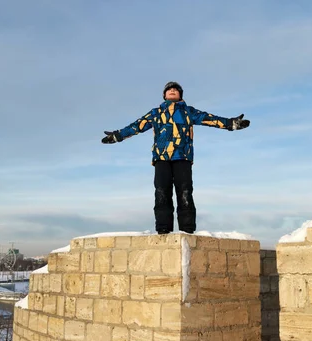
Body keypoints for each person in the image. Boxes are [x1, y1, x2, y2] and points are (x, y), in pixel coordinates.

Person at [101, 81, 250, 234]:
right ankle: (163, 229)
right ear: (164, 95)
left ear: (180, 95)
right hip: (161, 158)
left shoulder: (188, 112)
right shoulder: (156, 113)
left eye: (175, 89)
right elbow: (137, 126)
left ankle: (187, 230)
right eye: (169, 89)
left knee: (185, 192)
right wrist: (117, 136)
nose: (172, 91)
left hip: (183, 157)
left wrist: (231, 123)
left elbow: (210, 119)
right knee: (161, 192)